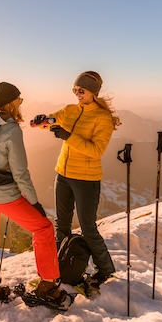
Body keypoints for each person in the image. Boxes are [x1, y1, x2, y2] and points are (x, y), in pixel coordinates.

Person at [0, 81, 69, 307]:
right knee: (44, 228)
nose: (21, 103)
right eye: (19, 99)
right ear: (12, 103)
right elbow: (20, 172)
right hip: (4, 195)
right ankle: (48, 286)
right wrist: (34, 202)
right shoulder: (11, 130)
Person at [32, 71, 121, 290]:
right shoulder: (70, 111)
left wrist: (68, 136)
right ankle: (60, 267)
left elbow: (96, 150)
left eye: (82, 90)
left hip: (86, 179)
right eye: (75, 90)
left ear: (93, 92)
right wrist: (41, 121)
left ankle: (105, 269)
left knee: (88, 227)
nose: (77, 94)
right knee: (61, 225)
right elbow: (52, 121)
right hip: (62, 174)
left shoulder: (102, 118)